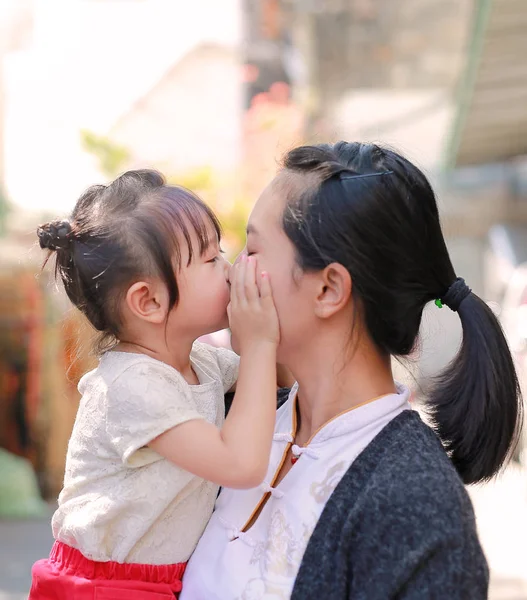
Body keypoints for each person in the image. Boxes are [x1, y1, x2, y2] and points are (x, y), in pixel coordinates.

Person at [181, 142, 523, 599]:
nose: (231, 272)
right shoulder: (225, 418)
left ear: (328, 289)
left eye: (253, 250)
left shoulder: (416, 507)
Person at [29, 170, 280, 598]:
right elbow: (239, 464)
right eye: (210, 258)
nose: (229, 266)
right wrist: (259, 343)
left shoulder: (202, 363)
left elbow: (271, 380)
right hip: (102, 585)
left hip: (155, 580)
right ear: (148, 301)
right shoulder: (131, 387)